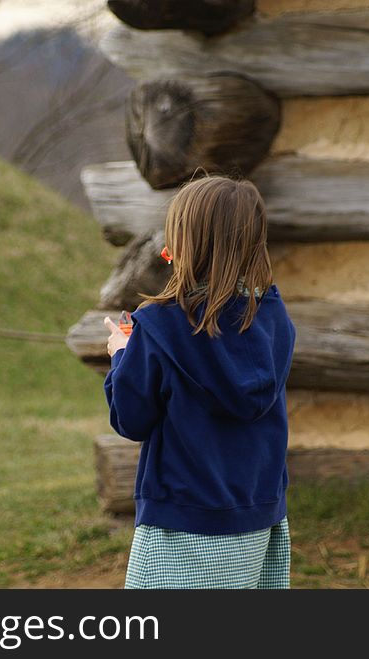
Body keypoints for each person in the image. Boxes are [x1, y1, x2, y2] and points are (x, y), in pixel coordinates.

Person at [103, 175, 297, 589]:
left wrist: (122, 354)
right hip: (258, 520)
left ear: (185, 244)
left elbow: (131, 419)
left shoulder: (158, 326)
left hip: (182, 526)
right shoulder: (274, 318)